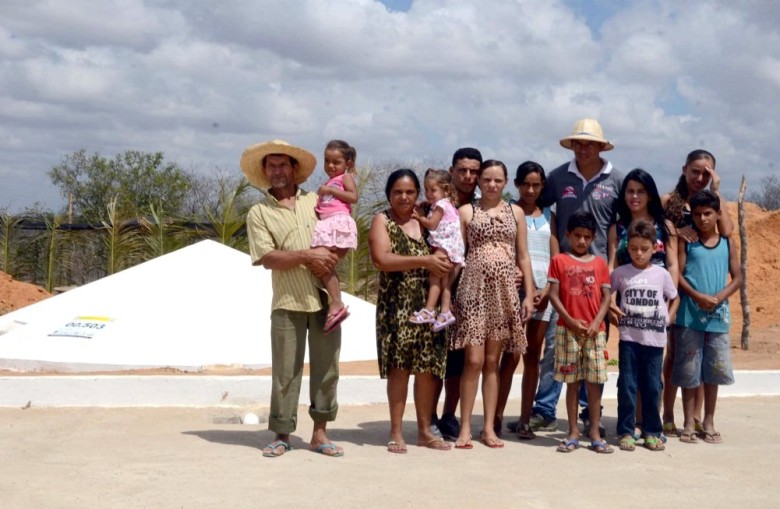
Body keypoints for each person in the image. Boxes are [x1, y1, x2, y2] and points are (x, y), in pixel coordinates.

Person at [242, 139, 344, 458]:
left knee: (328, 368)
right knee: (285, 371)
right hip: (287, 300)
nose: (277, 171)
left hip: (325, 297)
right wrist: (307, 255)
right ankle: (282, 433)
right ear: (264, 170)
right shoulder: (259, 213)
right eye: (271, 165)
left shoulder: (317, 200)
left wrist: (327, 256)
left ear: (294, 168)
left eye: (283, 164)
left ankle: (320, 433)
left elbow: (339, 231)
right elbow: (268, 258)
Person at [528, 119, 622, 436]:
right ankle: (544, 410)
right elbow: (544, 213)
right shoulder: (557, 177)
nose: (584, 149)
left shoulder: (616, 180)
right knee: (557, 345)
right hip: (564, 274)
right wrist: (556, 257)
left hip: (598, 279)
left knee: (593, 348)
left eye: (590, 144)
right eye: (578, 144)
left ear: (600, 147)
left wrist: (609, 266)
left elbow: (614, 228)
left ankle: (588, 415)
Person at [450, 160, 535, 449]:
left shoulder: (517, 212)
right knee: (472, 361)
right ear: (479, 181)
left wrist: (529, 293)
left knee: (491, 363)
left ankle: (488, 428)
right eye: (486, 179)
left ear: (506, 182)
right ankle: (465, 429)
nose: (491, 185)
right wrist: (448, 294)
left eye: (498, 180)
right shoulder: (467, 211)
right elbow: (457, 255)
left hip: (504, 294)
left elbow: (523, 255)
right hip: (472, 291)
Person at [368, 169, 454, 453]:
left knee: (428, 369)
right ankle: (396, 431)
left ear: (418, 193)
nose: (403, 197)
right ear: (389, 195)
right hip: (397, 306)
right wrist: (425, 260)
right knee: (399, 369)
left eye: (409, 192)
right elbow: (382, 258)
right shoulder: (383, 220)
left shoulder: (429, 220)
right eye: (397, 192)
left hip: (429, 304)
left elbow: (451, 245)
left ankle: (424, 431)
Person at [661, 149, 733, 435]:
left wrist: (717, 191)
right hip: (673, 284)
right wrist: (677, 233)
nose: (700, 177)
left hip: (703, 295)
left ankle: (698, 418)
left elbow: (726, 232)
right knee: (674, 356)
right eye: (695, 171)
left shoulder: (713, 203)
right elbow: (655, 231)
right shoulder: (670, 202)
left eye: (707, 172)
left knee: (699, 359)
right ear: (684, 169)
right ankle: (667, 413)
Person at [607, 168, 678, 439]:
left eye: (640, 191)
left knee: (651, 373)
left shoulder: (665, 226)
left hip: (656, 304)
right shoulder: (618, 227)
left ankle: (649, 424)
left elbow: (672, 265)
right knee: (629, 372)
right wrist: (611, 302)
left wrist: (670, 306)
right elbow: (613, 264)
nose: (634, 196)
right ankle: (632, 425)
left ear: (650, 194)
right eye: (629, 191)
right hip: (629, 304)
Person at [673, 190, 739, 444]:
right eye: (698, 214)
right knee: (690, 372)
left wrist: (720, 296)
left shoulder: (726, 243)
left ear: (718, 214)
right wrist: (697, 295)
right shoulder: (686, 242)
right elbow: (677, 274)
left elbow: (738, 277)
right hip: (689, 317)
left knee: (714, 371)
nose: (702, 219)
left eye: (708, 213)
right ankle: (689, 422)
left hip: (718, 320)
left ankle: (708, 421)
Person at [549, 211, 612, 454]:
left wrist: (597, 322)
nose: (582, 241)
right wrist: (570, 321)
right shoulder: (560, 261)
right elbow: (554, 295)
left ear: (594, 237)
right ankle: (573, 431)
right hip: (568, 331)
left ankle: (594, 431)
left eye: (587, 237)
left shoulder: (599, 264)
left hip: (595, 332)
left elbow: (606, 297)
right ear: (568, 235)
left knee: (594, 383)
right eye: (577, 236)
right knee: (572, 382)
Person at [498, 162, 554, 439]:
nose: (531, 190)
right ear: (517, 184)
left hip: (544, 294)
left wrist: (548, 291)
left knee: (533, 356)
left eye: (536, 184)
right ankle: (495, 418)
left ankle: (524, 420)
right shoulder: (508, 211)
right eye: (526, 184)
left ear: (542, 186)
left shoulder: (551, 218)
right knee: (510, 357)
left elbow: (555, 257)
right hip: (514, 290)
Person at [435, 147, 483, 441]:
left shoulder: (483, 208)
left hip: (471, 294)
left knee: (459, 359)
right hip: (435, 289)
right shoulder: (435, 203)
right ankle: (427, 414)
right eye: (462, 170)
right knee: (432, 358)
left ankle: (449, 416)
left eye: (473, 171)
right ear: (451, 170)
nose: (468, 176)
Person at [310, 140, 359, 332]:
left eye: (336, 162)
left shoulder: (344, 178)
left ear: (347, 163)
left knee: (323, 264)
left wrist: (330, 190)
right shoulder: (329, 182)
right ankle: (336, 303)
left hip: (338, 224)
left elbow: (353, 197)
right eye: (327, 161)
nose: (331, 166)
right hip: (328, 224)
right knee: (323, 265)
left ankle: (336, 302)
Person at [409, 169, 465, 331]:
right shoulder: (449, 204)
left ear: (446, 190)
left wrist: (419, 218)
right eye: (427, 190)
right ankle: (445, 311)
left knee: (434, 276)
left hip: (444, 246)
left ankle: (430, 309)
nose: (429, 194)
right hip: (452, 248)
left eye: (433, 190)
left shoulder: (440, 205)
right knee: (445, 281)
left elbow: (432, 224)